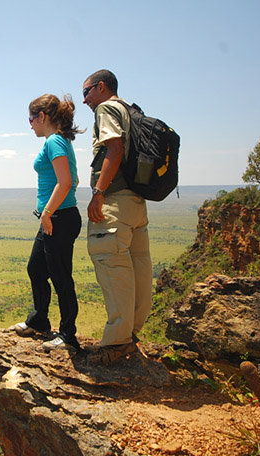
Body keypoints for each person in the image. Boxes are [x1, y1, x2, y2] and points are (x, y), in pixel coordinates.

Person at [81, 69, 152, 365]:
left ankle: (117, 342)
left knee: (113, 266)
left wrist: (99, 192)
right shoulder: (131, 110)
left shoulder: (108, 108)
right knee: (138, 270)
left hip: (116, 201)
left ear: (100, 87)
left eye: (86, 92)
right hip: (137, 204)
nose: (85, 100)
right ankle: (131, 334)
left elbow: (114, 148)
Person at [12, 94, 83, 351]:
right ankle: (40, 320)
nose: (30, 124)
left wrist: (47, 212)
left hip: (58, 218)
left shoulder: (54, 141)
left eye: (31, 118)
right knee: (36, 268)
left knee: (60, 276)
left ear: (42, 116)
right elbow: (73, 180)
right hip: (56, 217)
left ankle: (68, 336)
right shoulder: (58, 141)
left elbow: (66, 183)